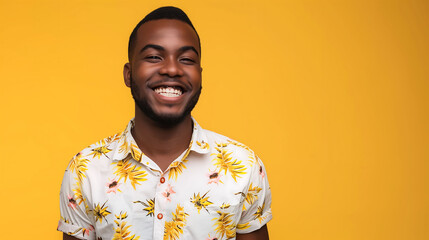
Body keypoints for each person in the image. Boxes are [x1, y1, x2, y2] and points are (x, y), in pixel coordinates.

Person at [57, 6, 272, 240]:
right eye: (153, 57)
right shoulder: (85, 170)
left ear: (200, 74)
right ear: (128, 74)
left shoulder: (244, 166)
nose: (171, 69)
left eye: (186, 59)